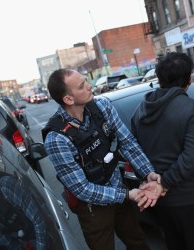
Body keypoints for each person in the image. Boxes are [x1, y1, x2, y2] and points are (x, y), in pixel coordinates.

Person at [42, 68, 162, 250]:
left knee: (138, 242)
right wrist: (126, 195)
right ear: (68, 99)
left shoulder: (102, 107)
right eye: (82, 86)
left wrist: (148, 172)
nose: (90, 87)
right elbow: (82, 189)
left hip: (117, 187)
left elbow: (127, 142)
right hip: (93, 207)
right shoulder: (57, 139)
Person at [131, 52, 194, 250]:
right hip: (189, 197)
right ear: (188, 79)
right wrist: (165, 183)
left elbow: (133, 152)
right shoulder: (191, 108)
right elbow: (191, 156)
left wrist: (151, 181)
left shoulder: (139, 111)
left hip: (160, 202)